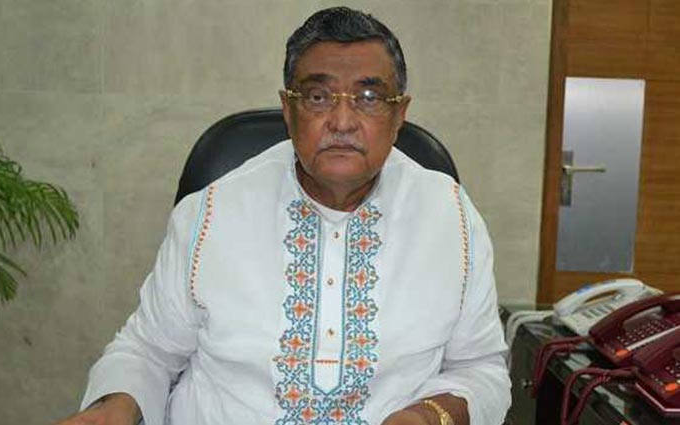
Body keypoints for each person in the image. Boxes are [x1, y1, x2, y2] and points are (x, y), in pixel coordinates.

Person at [56, 7, 510, 425]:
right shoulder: (211, 213)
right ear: (289, 111)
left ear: (399, 115)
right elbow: (148, 351)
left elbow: (481, 368)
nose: (342, 121)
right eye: (318, 96)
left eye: (369, 97)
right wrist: (113, 408)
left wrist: (428, 417)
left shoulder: (451, 218)